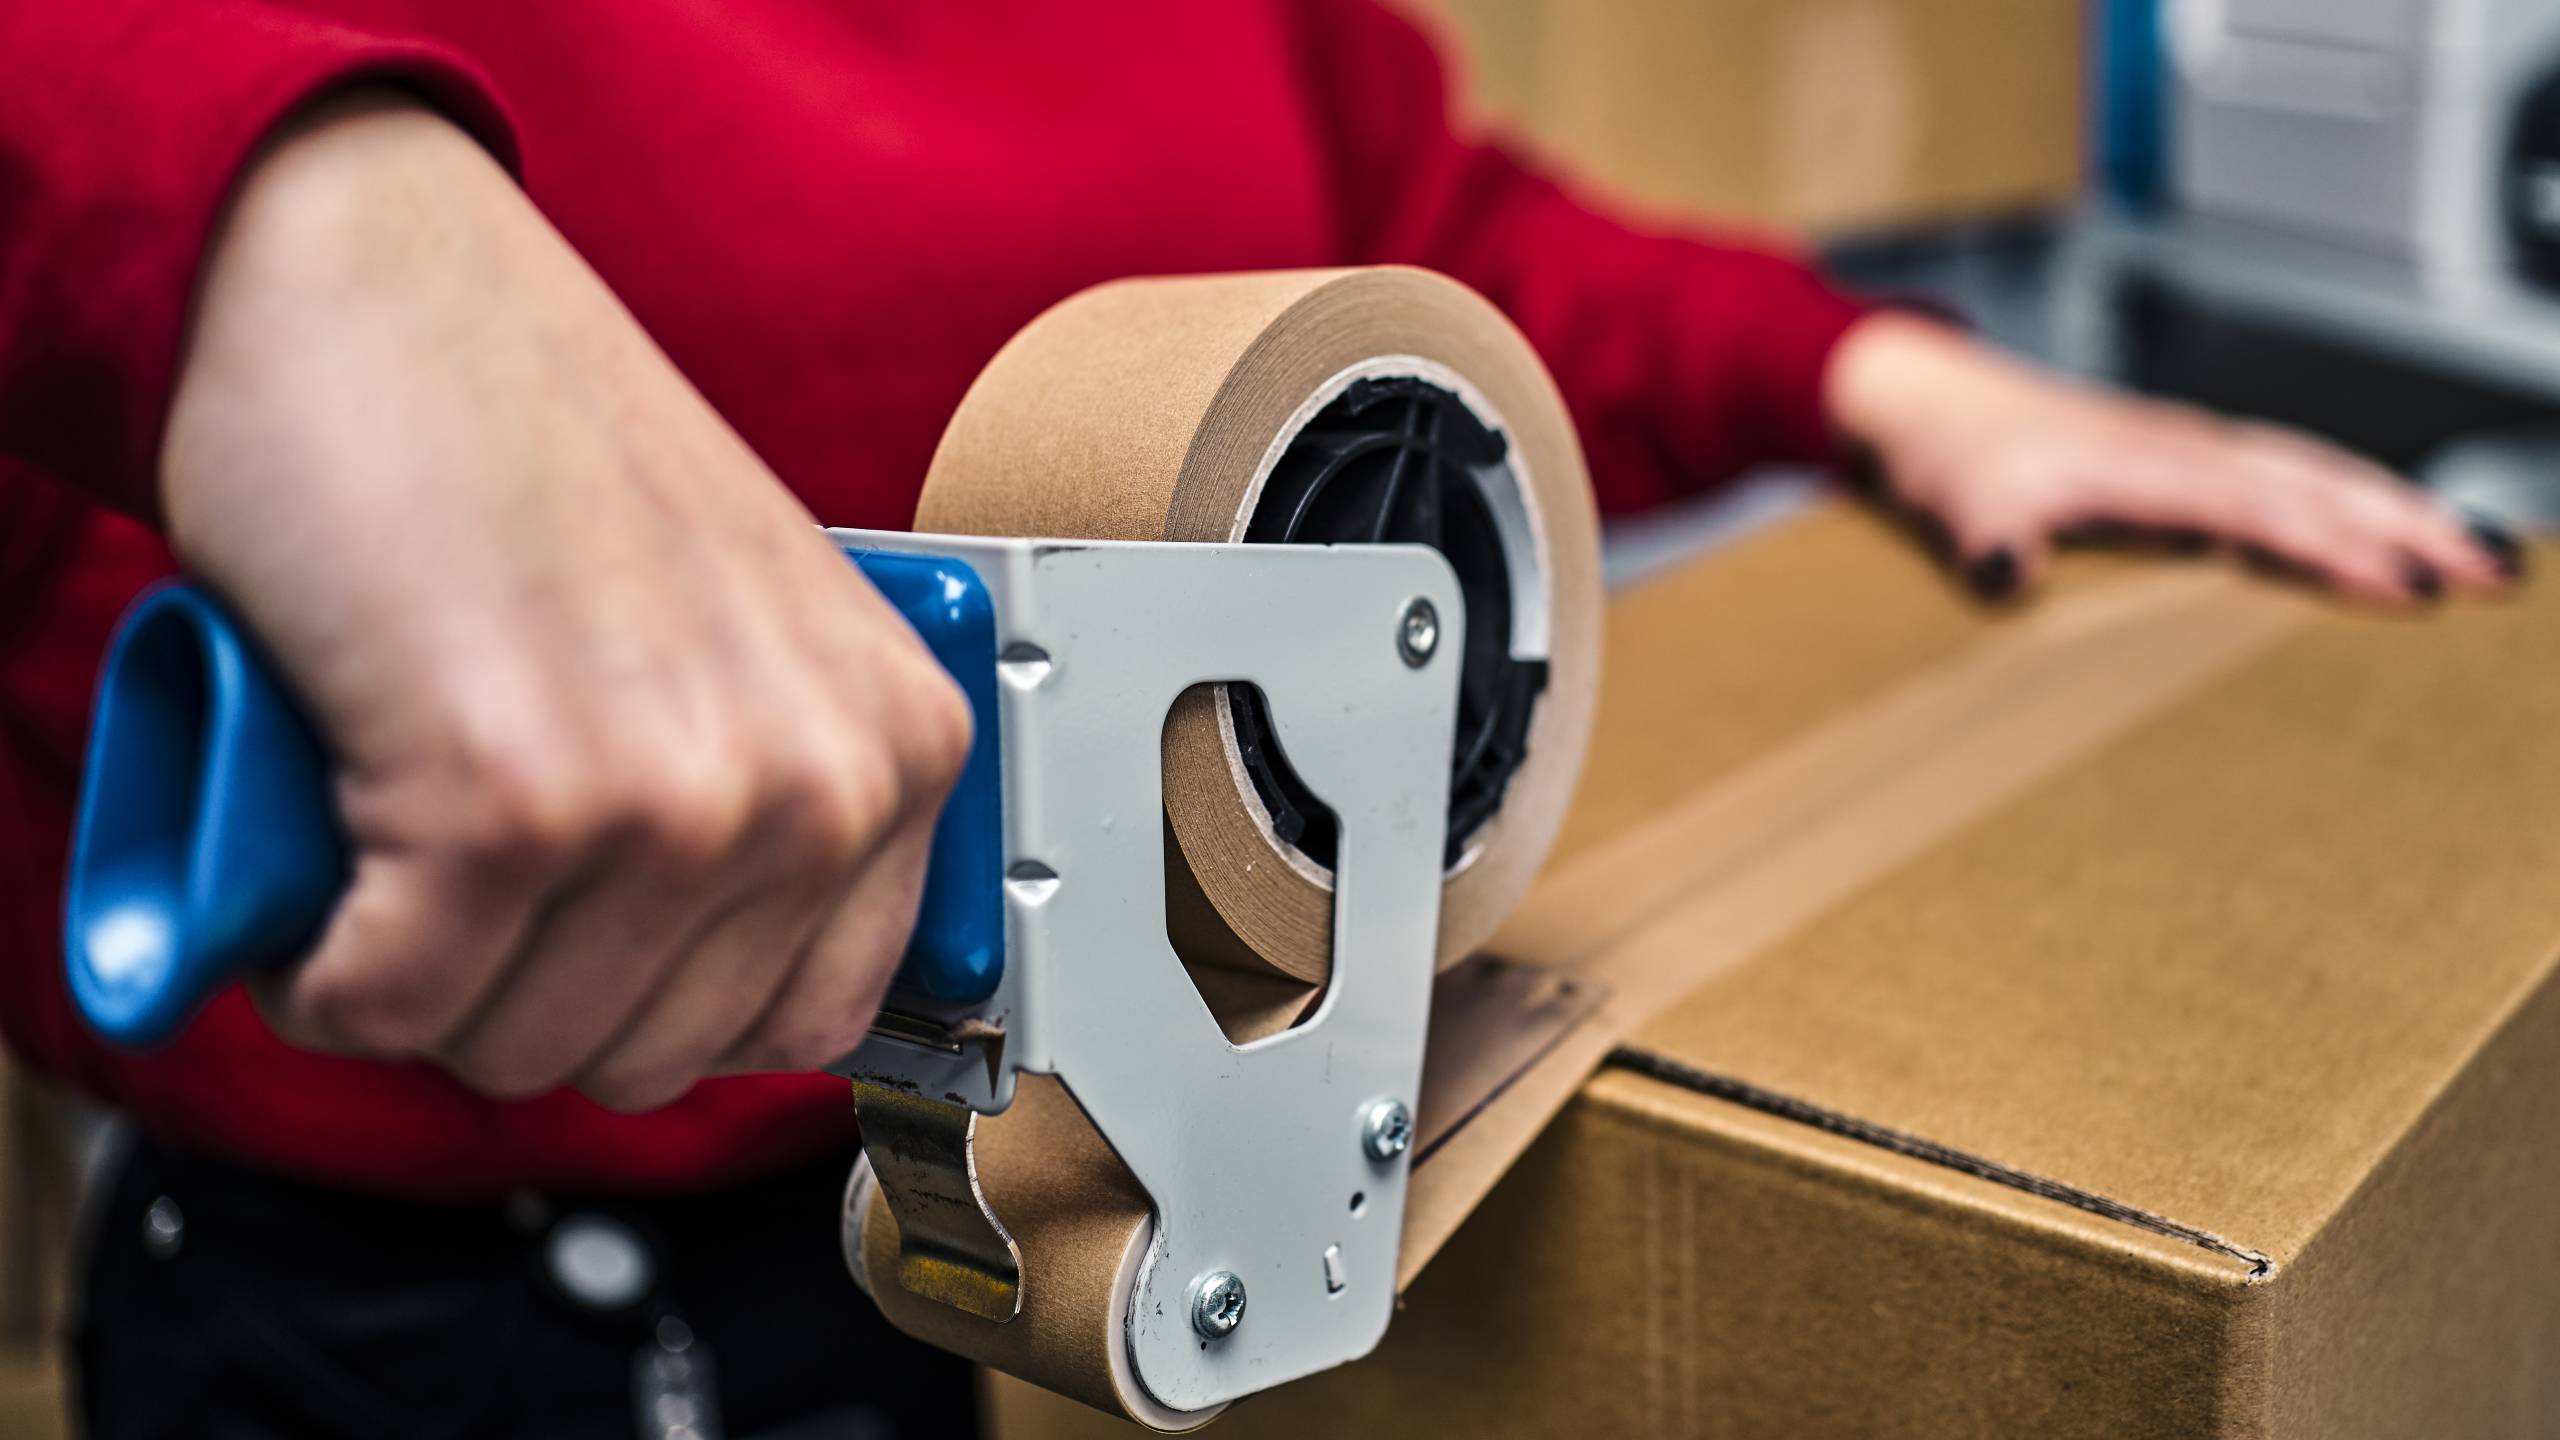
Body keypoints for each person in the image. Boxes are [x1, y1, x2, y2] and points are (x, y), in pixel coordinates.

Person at [0, 3, 2521, 1436]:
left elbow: (1426, 249)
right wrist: (277, 211)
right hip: (417, 1311)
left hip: (1045, 1215)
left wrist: (1871, 372)